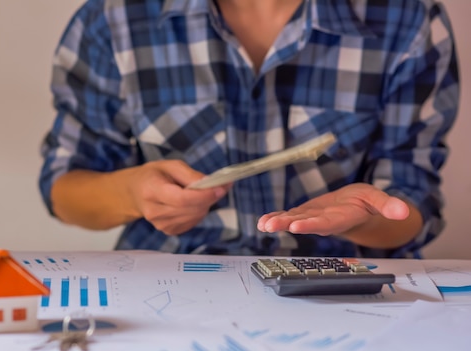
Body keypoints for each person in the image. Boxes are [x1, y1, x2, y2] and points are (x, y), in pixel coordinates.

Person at [39, 0, 459, 258]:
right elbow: (64, 190)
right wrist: (132, 194)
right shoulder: (112, 20)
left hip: (343, 285)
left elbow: (412, 204)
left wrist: (359, 219)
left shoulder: (409, 21)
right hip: (172, 287)